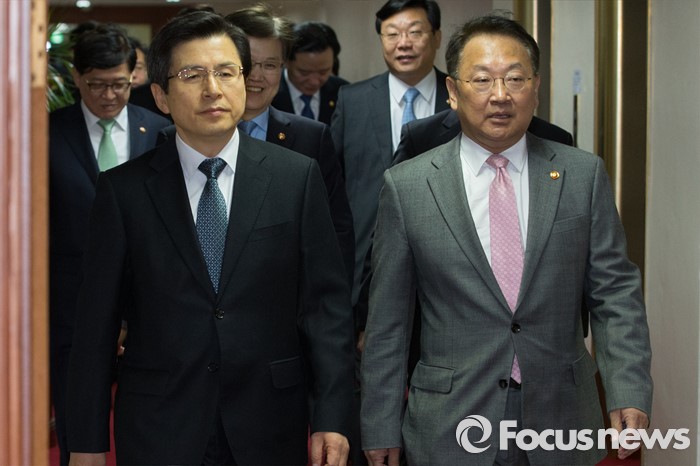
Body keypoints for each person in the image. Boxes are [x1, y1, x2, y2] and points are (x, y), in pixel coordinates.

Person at [360, 14, 652, 466]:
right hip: (451, 421)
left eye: (515, 78)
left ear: (536, 87)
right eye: (482, 80)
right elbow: (388, 322)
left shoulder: (581, 174)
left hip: (561, 417)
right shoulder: (408, 186)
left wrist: (628, 388)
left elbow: (615, 292)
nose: (500, 95)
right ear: (452, 91)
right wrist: (379, 425)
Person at [66, 10, 354, 466]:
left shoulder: (295, 178)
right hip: (159, 423)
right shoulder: (123, 191)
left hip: (270, 419)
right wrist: (86, 441)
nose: (212, 89)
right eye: (192, 74)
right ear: (160, 95)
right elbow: (95, 324)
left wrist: (333, 416)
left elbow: (326, 309)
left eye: (226, 72)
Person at [48, 23, 170, 466]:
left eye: (119, 84)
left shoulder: (159, 131)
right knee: (77, 425)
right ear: (76, 77)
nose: (109, 96)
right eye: (96, 85)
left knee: (149, 426)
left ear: (134, 74)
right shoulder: (45, 133)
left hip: (149, 305)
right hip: (71, 306)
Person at [219, 5, 354, 285]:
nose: (257, 75)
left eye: (270, 65)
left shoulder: (311, 138)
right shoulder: (185, 135)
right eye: (246, 63)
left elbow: (335, 233)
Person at [331, 0, 449, 308]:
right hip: (366, 262)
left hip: (447, 260)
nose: (403, 43)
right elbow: (331, 184)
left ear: (436, 37)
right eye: (392, 34)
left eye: (415, 32)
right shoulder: (352, 100)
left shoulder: (461, 98)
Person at [272, 21, 349, 125]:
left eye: (323, 72)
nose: (314, 82)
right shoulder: (268, 93)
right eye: (304, 73)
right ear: (286, 62)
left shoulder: (344, 94)